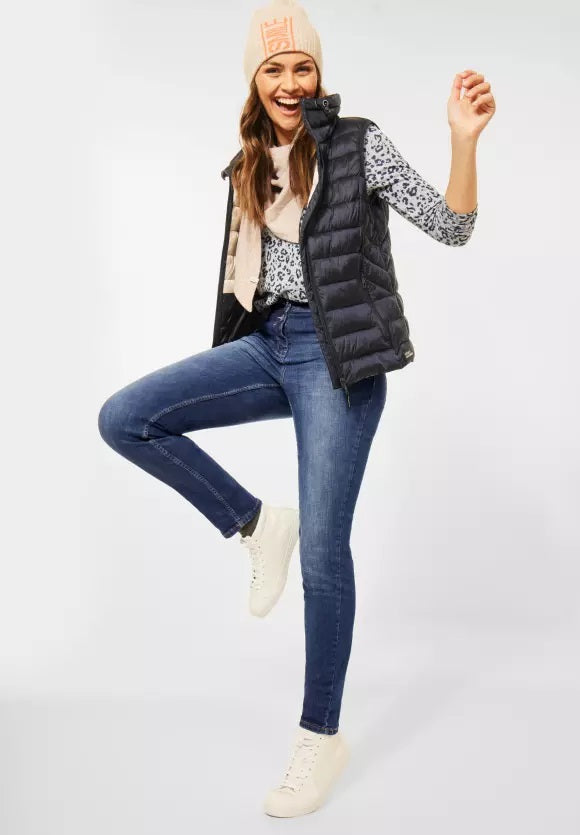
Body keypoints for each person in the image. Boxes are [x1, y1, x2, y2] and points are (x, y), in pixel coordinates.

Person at [98, 0, 495, 818]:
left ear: (320, 74)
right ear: (254, 79)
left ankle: (320, 735)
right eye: (273, 68)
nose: (289, 82)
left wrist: (463, 140)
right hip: (267, 346)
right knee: (125, 416)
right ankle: (254, 523)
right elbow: (243, 281)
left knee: (322, 553)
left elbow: (452, 226)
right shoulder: (246, 163)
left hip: (337, 359)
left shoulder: (357, 145)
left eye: (302, 66)